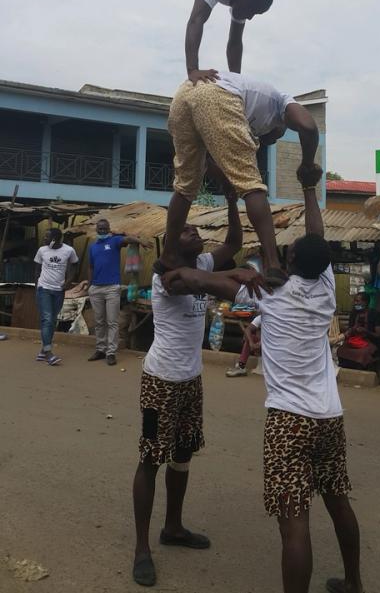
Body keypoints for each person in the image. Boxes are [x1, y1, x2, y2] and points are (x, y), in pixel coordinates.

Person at [164, 180, 364, 593]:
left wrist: (215, 272)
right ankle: (354, 582)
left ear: (288, 257)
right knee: (338, 501)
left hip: (288, 421)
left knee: (294, 524)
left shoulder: (267, 293)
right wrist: (312, 189)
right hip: (329, 417)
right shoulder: (326, 289)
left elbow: (193, 280)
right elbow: (317, 235)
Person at [132, 180, 242, 587]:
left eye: (195, 229)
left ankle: (173, 528)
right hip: (159, 381)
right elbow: (198, 281)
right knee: (150, 458)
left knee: (182, 455)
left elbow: (233, 241)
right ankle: (142, 547)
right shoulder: (167, 273)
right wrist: (189, 183)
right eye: (184, 230)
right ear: (171, 245)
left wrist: (232, 201)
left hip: (191, 381)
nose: (193, 231)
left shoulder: (204, 265)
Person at [156, 70, 322, 282]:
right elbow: (308, 126)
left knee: (185, 187)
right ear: (282, 124)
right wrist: (307, 164)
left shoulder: (246, 112)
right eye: (277, 134)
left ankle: (169, 255)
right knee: (252, 185)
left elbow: (208, 160)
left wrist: (225, 181)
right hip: (215, 92)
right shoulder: (283, 102)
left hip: (184, 93)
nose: (271, 139)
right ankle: (272, 263)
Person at [88, 219, 150, 366]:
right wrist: (89, 284)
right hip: (96, 288)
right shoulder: (93, 246)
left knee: (112, 321)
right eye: (99, 229)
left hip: (111, 288)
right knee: (99, 321)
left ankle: (111, 353)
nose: (102, 231)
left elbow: (127, 239)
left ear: (109, 229)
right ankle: (100, 349)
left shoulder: (114, 241)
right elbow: (90, 266)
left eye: (104, 228)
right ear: (96, 230)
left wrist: (141, 242)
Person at [34, 228, 79, 366]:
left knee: (52, 320)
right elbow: (36, 269)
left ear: (55, 239)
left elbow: (75, 265)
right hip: (44, 289)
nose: (44, 239)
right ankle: (48, 353)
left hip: (59, 290)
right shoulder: (42, 250)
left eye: (47, 237)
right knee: (47, 318)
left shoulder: (69, 250)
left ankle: (42, 350)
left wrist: (69, 282)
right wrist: (37, 285)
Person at [337, 292, 380, 370]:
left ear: (366, 302)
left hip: (369, 342)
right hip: (355, 341)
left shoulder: (375, 314)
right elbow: (349, 330)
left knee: (362, 354)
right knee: (340, 350)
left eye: (357, 301)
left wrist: (365, 331)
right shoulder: (354, 313)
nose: (355, 303)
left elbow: (378, 335)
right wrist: (352, 329)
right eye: (354, 301)